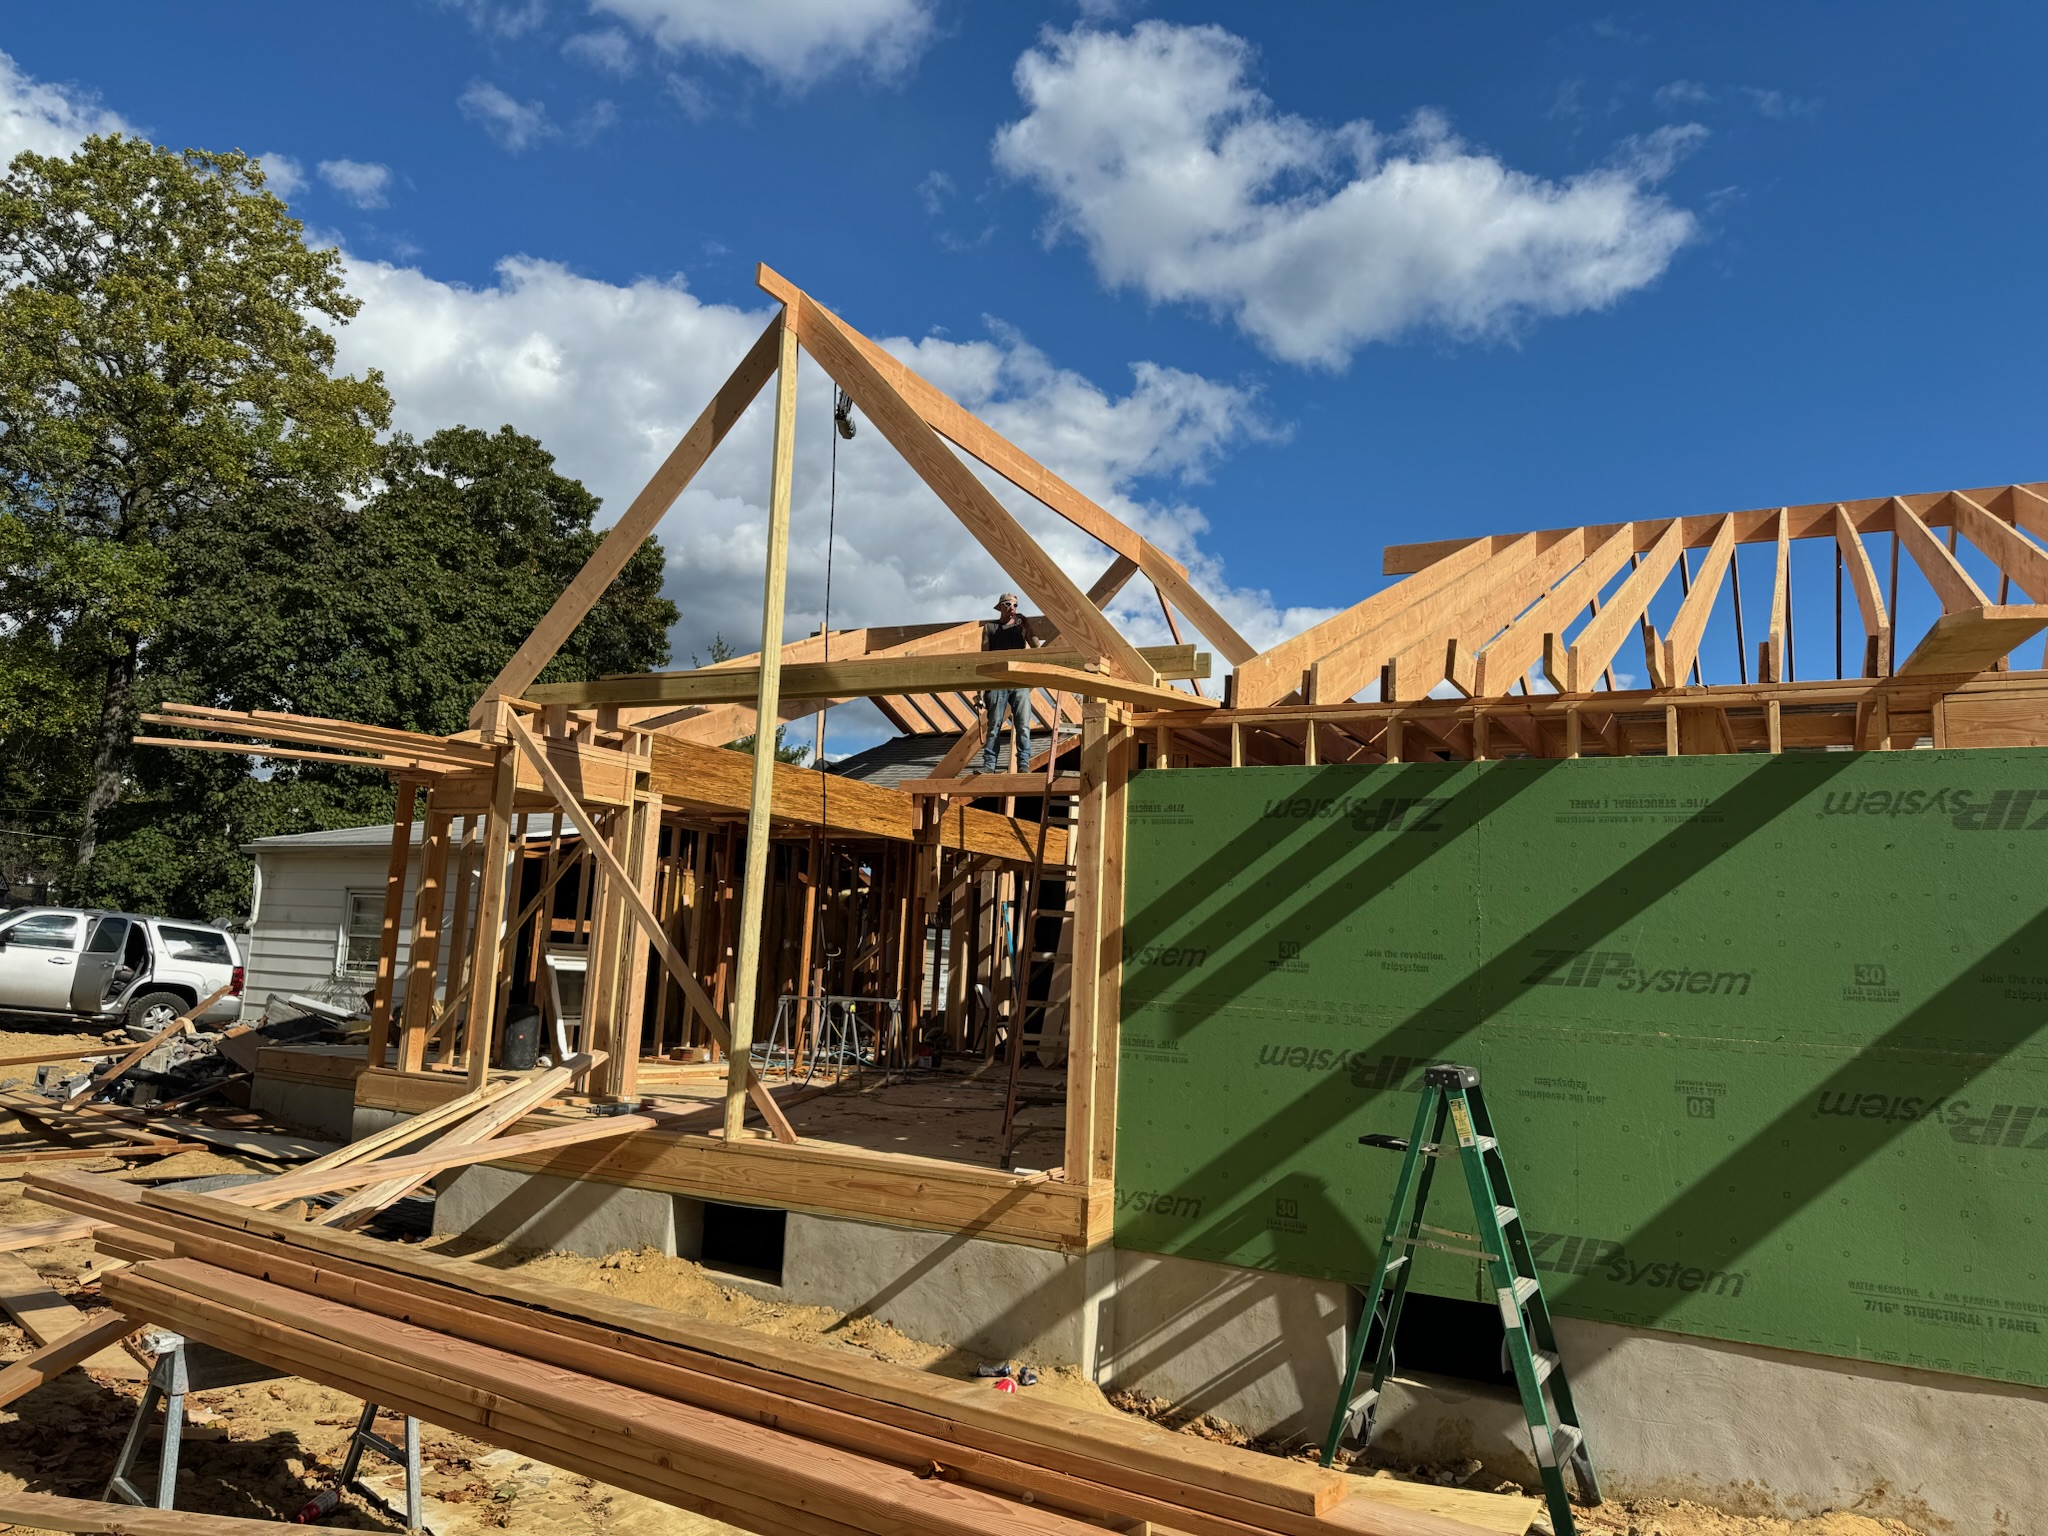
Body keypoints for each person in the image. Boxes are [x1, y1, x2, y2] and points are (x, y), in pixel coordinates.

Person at [980, 592, 1041, 773]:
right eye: (1007, 604)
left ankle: (1023, 763)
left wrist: (1028, 626)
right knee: (994, 725)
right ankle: (989, 765)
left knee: (1023, 724)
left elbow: (1037, 647)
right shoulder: (990, 628)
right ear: (1000, 607)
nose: (1011, 608)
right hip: (997, 681)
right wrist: (981, 689)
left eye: (1015, 605)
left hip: (1019, 680)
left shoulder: (1021, 627)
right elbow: (983, 658)